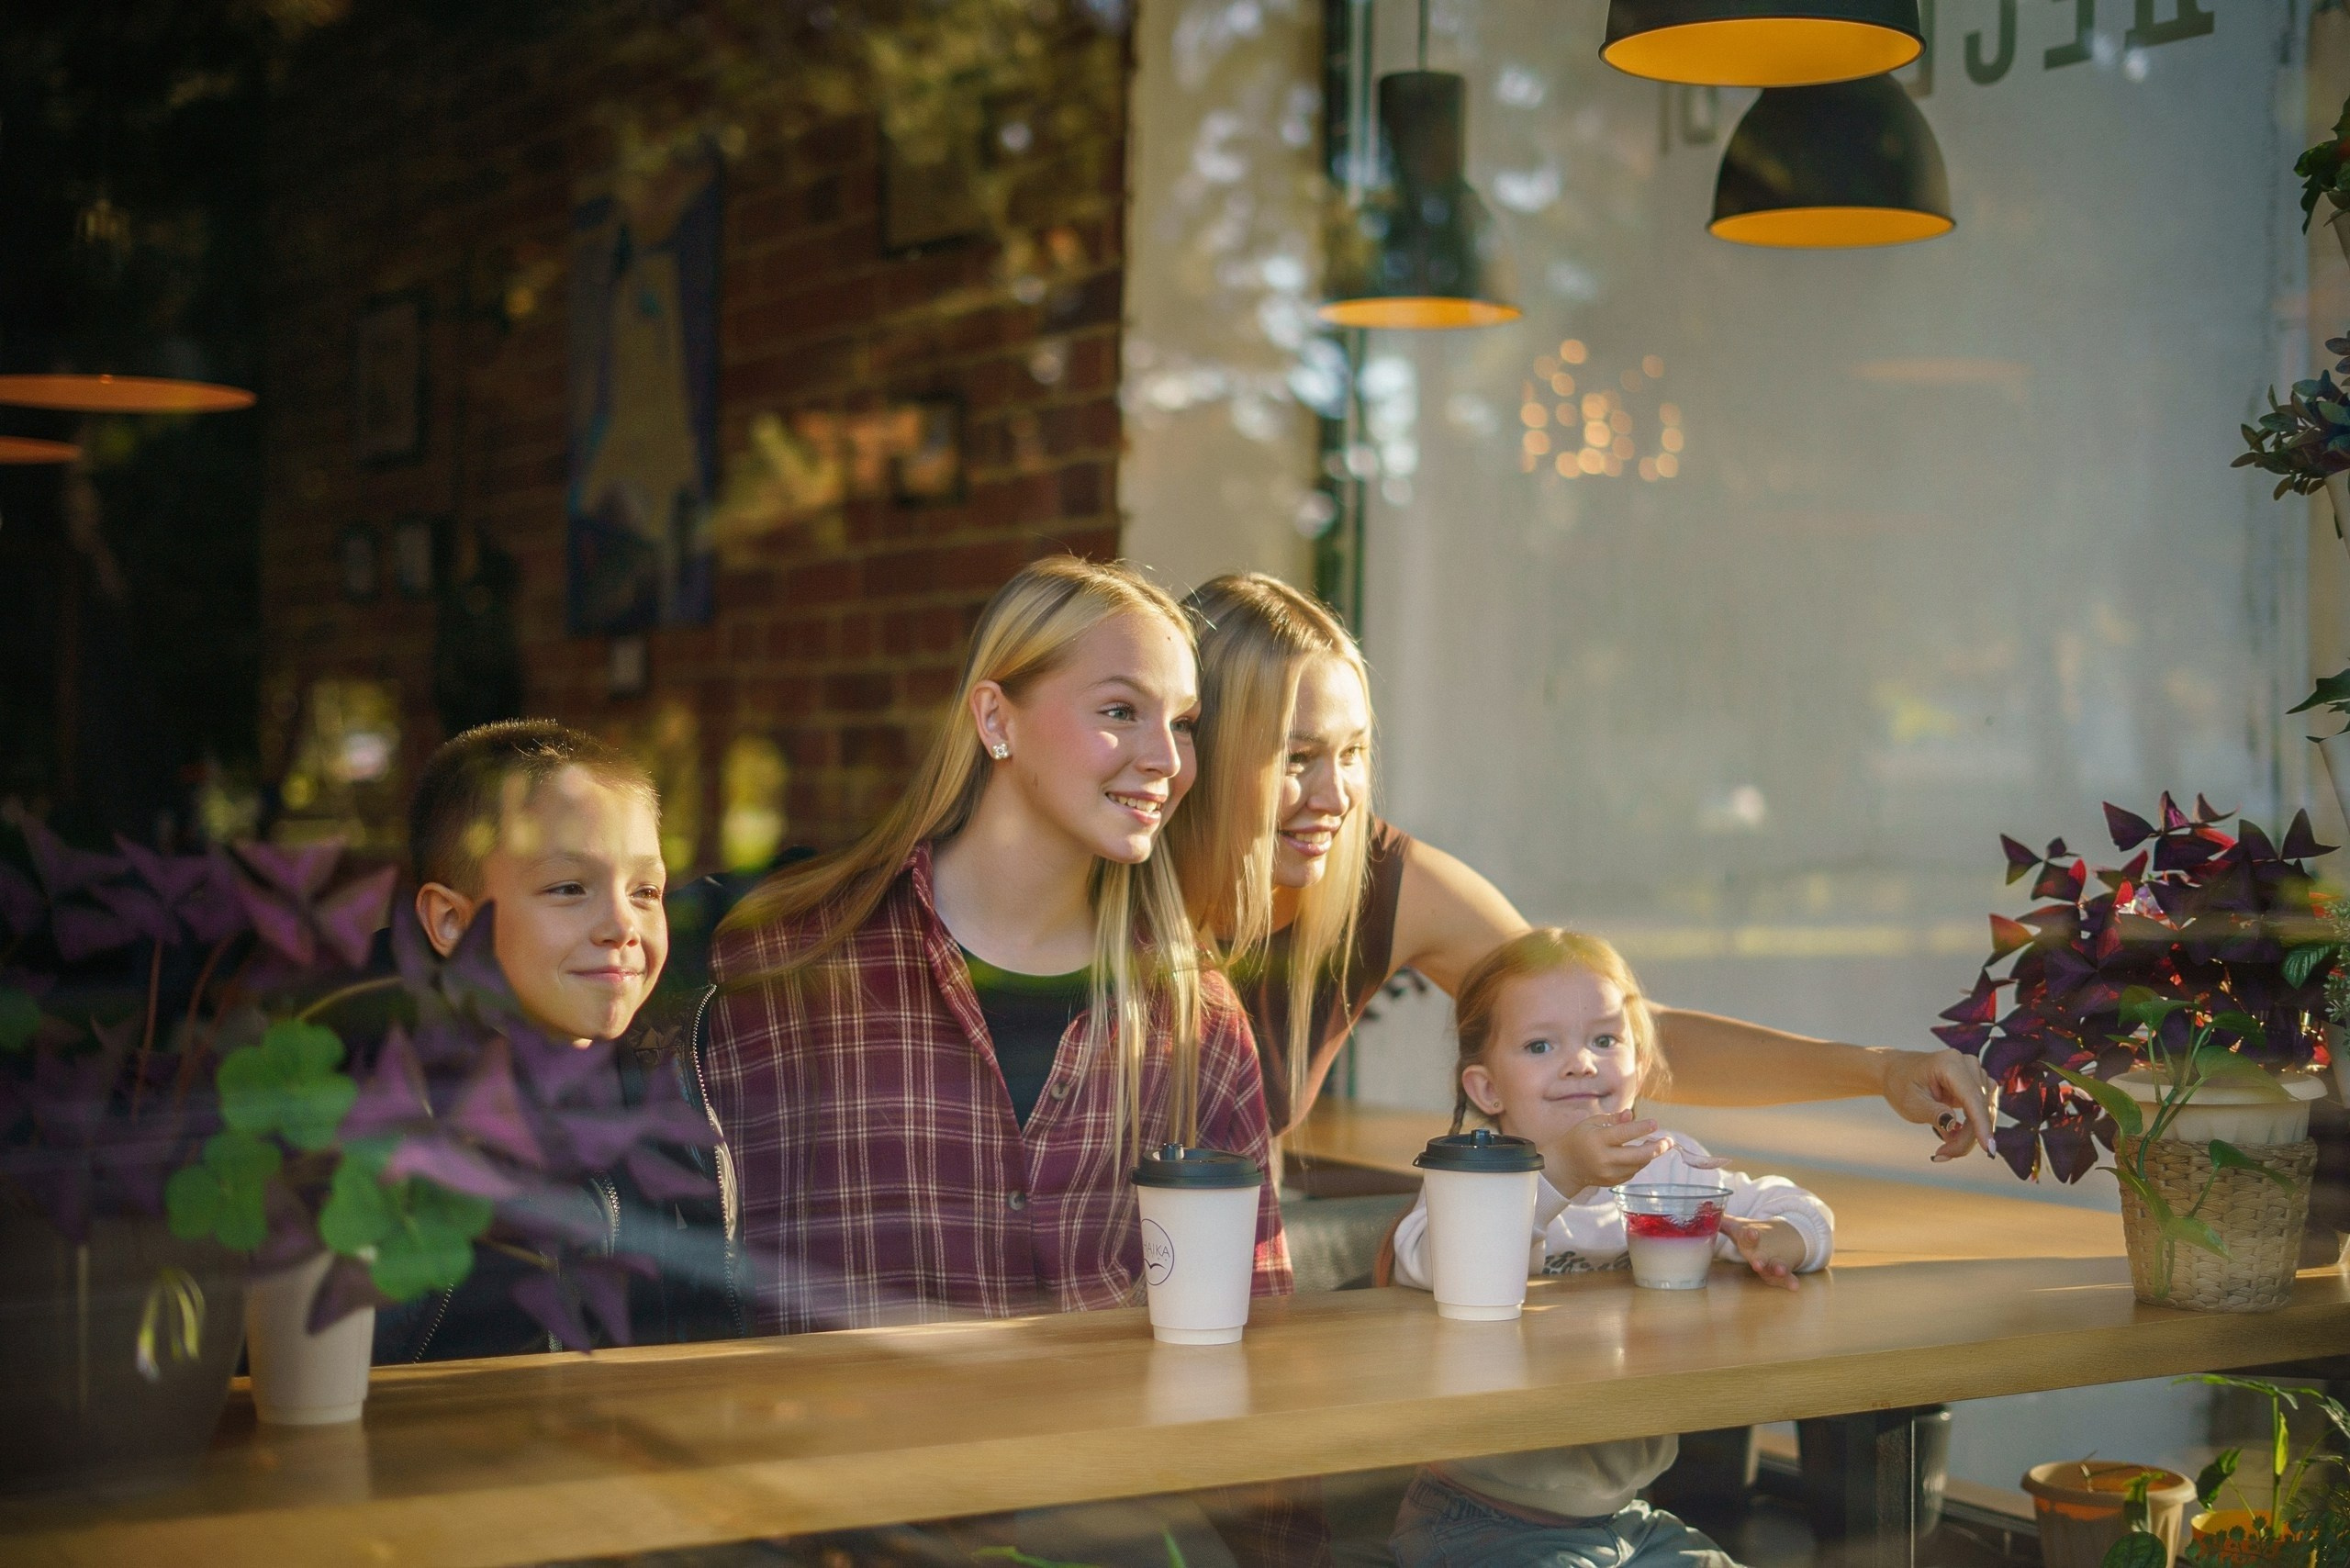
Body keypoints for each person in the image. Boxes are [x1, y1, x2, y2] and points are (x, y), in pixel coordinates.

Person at [1166, 572, 1995, 1151]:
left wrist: (1879, 1070)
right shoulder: (1115, 880)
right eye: (1295, 755)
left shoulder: (1381, 880)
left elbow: (1621, 1036)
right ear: (1198, 747)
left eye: (1352, 754)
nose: (1334, 794)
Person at [705, 556, 1289, 1336]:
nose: (1168, 760)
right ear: (995, 720)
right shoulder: (787, 973)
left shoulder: (1199, 1020)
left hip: (1118, 1456)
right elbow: (692, 1288)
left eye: (1182, 723)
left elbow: (1257, 1320)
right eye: (1121, 711)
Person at [1387, 928, 1834, 1568]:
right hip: (1477, 1520)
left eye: (1605, 1040)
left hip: (1628, 1516)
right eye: (1541, 1045)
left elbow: (1795, 1206)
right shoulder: (1470, 1178)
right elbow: (1431, 1256)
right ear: (1487, 1091)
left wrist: (1782, 1239)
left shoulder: (1667, 1171)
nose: (1581, 1063)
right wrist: (1562, 1173)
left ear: (1639, 1063)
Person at [378, 719, 740, 1360]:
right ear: (449, 921)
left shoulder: (674, 1075)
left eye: (645, 890)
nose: (623, 925)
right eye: (569, 888)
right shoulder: (398, 1135)